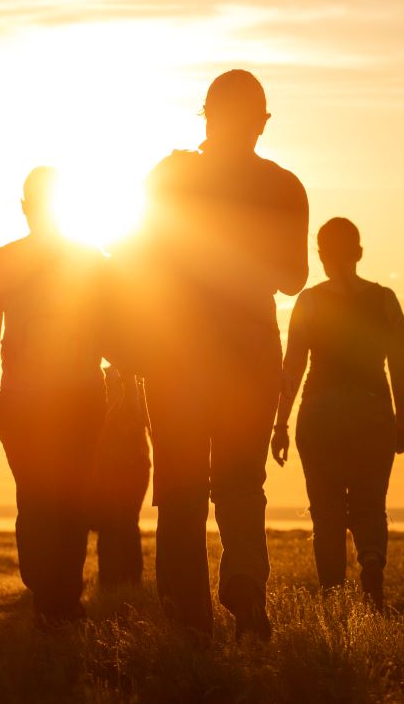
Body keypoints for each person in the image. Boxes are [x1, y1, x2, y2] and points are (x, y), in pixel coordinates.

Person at [111, 70, 308, 638]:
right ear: (263, 122)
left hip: (178, 355)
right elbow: (294, 278)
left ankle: (188, 621)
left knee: (180, 488)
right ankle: (246, 595)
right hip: (248, 353)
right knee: (241, 482)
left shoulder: (169, 177)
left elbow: (134, 262)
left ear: (205, 115)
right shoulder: (284, 187)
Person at [0, 167, 107, 622]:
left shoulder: (4, 260)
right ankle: (55, 592)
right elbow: (109, 328)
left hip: (43, 396)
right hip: (61, 395)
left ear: (26, 206)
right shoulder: (89, 258)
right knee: (63, 495)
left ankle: (55, 593)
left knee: (42, 495)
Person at [271, 218, 404, 607]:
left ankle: (333, 597)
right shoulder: (385, 300)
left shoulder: (310, 302)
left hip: (320, 412)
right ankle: (371, 565)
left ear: (320, 256)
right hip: (373, 407)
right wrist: (401, 418)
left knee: (326, 511)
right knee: (370, 502)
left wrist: (280, 423)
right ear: (359, 253)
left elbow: (292, 366)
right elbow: (401, 365)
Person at [91, 366, 150, 590]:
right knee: (125, 523)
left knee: (113, 525)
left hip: (118, 467)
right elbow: (151, 427)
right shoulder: (137, 384)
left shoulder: (102, 383)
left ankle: (113, 581)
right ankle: (127, 580)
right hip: (132, 466)